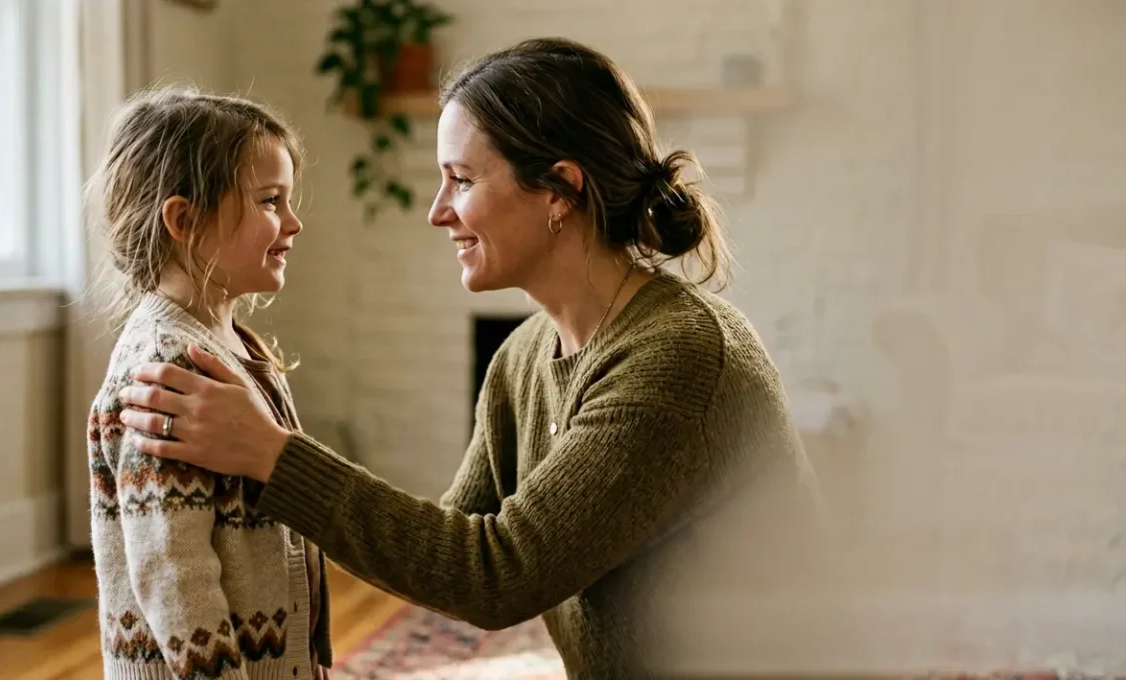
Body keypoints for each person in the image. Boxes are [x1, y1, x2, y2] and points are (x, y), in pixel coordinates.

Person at [117, 39, 821, 679]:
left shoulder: (680, 361)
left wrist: (275, 456)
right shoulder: (523, 359)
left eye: (461, 179)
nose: (437, 211)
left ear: (560, 191)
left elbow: (494, 578)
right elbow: (446, 556)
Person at [85, 87, 331, 680]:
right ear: (185, 220)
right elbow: (172, 569)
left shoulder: (235, 345)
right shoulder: (166, 370)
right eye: (271, 201)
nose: (293, 223)